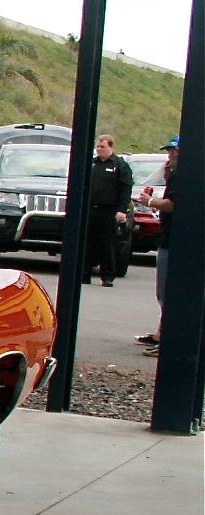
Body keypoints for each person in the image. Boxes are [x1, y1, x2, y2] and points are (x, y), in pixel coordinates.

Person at [140, 136, 179, 356]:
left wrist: (150, 202)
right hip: (169, 236)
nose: (170, 156)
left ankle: (167, 339)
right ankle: (160, 332)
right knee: (164, 292)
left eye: (174, 151)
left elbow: (171, 204)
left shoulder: (182, 175)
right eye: (169, 151)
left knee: (167, 292)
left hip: (173, 239)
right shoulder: (174, 175)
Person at [85, 134, 135, 287]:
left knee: (106, 245)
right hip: (90, 210)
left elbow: (125, 189)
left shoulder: (119, 166)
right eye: (97, 147)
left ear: (111, 147)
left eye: (102, 147)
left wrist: (122, 210)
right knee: (87, 244)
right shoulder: (92, 164)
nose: (99, 150)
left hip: (108, 211)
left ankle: (107, 276)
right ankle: (84, 274)